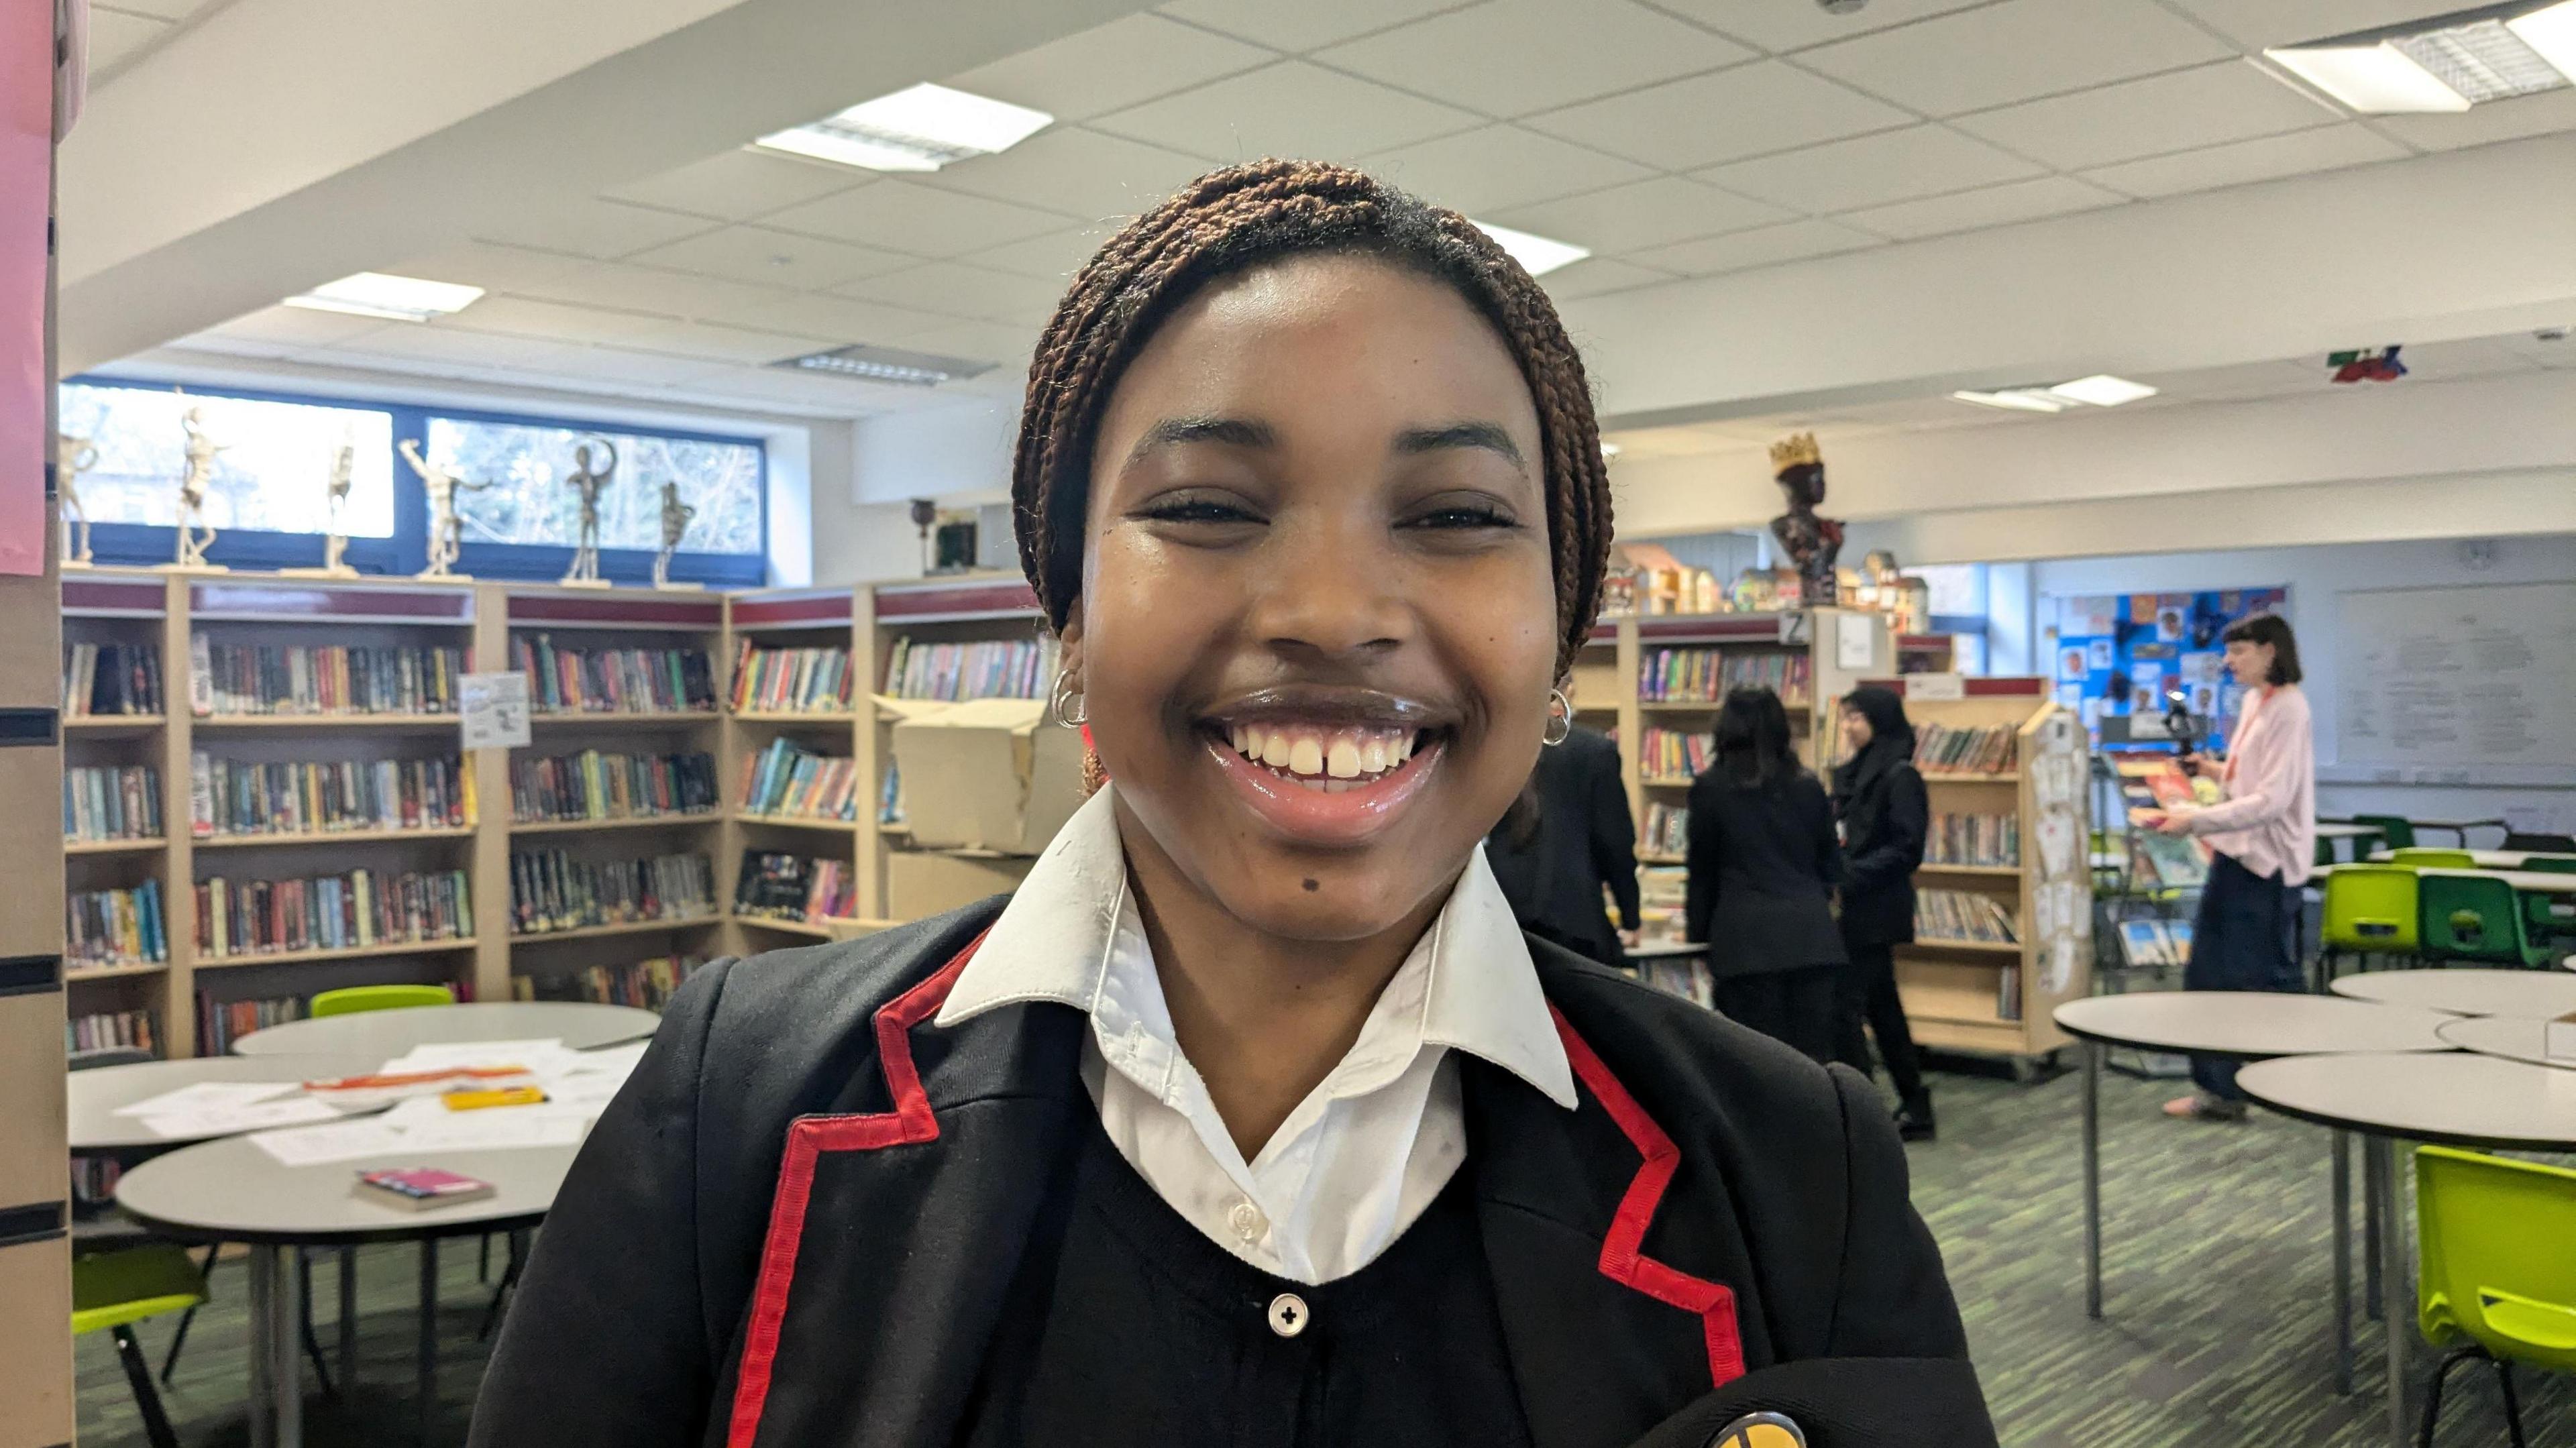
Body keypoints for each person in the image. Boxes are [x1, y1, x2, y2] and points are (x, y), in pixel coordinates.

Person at [470, 160, 1991, 1448]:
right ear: (1066, 617)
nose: (1332, 610)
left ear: (1559, 633)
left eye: (1456, 516)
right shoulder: (737, 1107)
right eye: (1203, 506)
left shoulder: (1797, 1167)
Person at [2146, 613, 2315, 1121]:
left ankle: (2276, 1084)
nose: (2229, 661)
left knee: (2252, 980)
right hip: (2237, 853)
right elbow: (2251, 778)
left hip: (2266, 865)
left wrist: (2194, 819)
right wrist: (2214, 771)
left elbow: (2273, 798)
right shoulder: (2254, 703)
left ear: (2270, 651)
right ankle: (2223, 1090)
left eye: (2240, 652)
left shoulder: (2290, 708)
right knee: (2216, 975)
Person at [1685, 687, 1846, 1062]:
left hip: (1745, 943)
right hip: (1812, 939)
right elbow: (1830, 865)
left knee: (1757, 1064)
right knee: (1814, 1063)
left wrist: (1698, 935)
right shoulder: (1808, 786)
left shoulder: (1712, 789)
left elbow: (1703, 872)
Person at [1832, 685, 1936, 1142]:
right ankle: (1913, 1102)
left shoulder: (1899, 774)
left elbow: (1908, 847)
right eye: (1846, 717)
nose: (1849, 726)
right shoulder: (1854, 773)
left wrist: (1850, 875)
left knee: (1856, 1005)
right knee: (1883, 1008)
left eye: (1857, 717)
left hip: (1876, 906)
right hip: (1855, 905)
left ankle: (1867, 1112)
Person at [1484, 721, 1640, 967]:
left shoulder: (1489, 745)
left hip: (1498, 919)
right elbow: (1615, 846)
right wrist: (1631, 918)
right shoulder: (1595, 751)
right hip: (1575, 920)